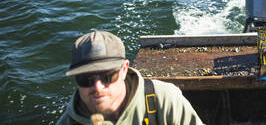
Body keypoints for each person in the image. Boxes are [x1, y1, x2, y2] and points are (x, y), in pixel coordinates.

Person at [57, 30, 203, 125]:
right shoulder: (67, 122)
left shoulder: (164, 99)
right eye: (85, 78)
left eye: (107, 76)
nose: (97, 87)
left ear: (124, 70)